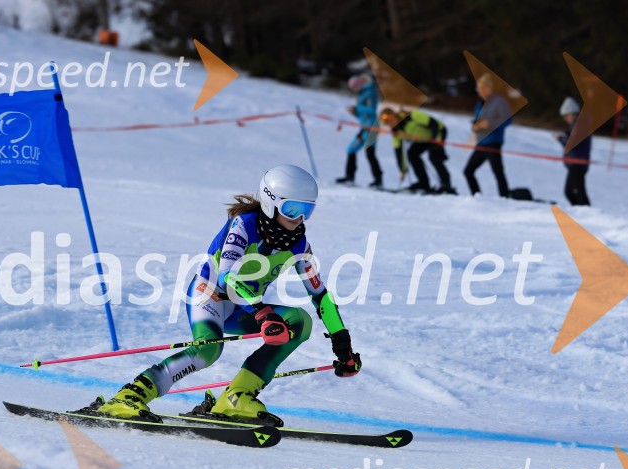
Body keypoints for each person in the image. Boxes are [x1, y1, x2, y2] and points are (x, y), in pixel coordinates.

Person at [94, 165, 362, 425]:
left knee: (299, 321)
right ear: (271, 202)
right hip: (210, 297)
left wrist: (342, 341)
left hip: (245, 308)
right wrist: (263, 313)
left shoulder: (300, 245)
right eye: (293, 208)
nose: (298, 218)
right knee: (208, 350)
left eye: (307, 210)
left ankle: (237, 397)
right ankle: (130, 395)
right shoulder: (243, 225)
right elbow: (228, 277)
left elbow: (320, 295)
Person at [380, 107, 455, 195]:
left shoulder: (413, 116)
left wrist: (436, 143)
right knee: (412, 154)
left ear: (394, 115)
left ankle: (446, 185)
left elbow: (433, 124)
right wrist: (403, 170)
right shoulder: (396, 132)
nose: (389, 123)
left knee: (434, 157)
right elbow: (398, 151)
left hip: (438, 131)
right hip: (423, 139)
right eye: (386, 123)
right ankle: (423, 183)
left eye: (389, 119)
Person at [463, 74, 512, 198]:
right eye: (478, 89)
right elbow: (477, 121)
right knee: (468, 171)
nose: (480, 91)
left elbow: (507, 120)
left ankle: (505, 198)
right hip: (481, 143)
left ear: (489, 88)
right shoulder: (479, 104)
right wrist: (475, 126)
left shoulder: (499, 101)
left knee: (498, 173)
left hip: (493, 142)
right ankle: (477, 197)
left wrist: (489, 124)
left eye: (482, 88)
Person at [336, 74, 383, 187]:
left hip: (372, 128)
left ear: (360, 84)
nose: (353, 90)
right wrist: (355, 112)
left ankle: (378, 180)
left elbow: (372, 111)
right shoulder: (362, 93)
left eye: (354, 87)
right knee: (351, 150)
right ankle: (349, 177)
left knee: (370, 154)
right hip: (364, 127)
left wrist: (356, 109)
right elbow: (365, 115)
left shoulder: (370, 93)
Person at [555, 97, 591, 206]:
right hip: (574, 163)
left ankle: (587, 214)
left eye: (565, 116)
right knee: (570, 192)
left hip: (577, 163)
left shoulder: (579, 124)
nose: (565, 119)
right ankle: (580, 212)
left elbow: (571, 143)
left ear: (571, 113)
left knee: (577, 192)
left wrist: (561, 139)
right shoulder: (578, 124)